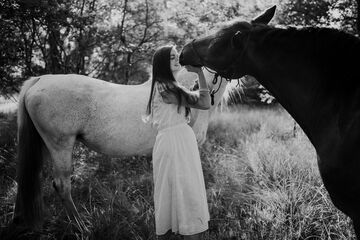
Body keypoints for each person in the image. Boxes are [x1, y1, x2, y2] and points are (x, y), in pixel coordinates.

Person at [143, 45, 210, 240]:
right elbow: (204, 102)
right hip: (173, 143)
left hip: (179, 141)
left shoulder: (171, 85)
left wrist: (198, 74)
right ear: (162, 62)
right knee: (181, 190)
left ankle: (183, 230)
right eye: (172, 57)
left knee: (182, 189)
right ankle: (186, 232)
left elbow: (202, 100)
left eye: (176, 56)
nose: (177, 60)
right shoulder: (165, 87)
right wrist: (199, 73)